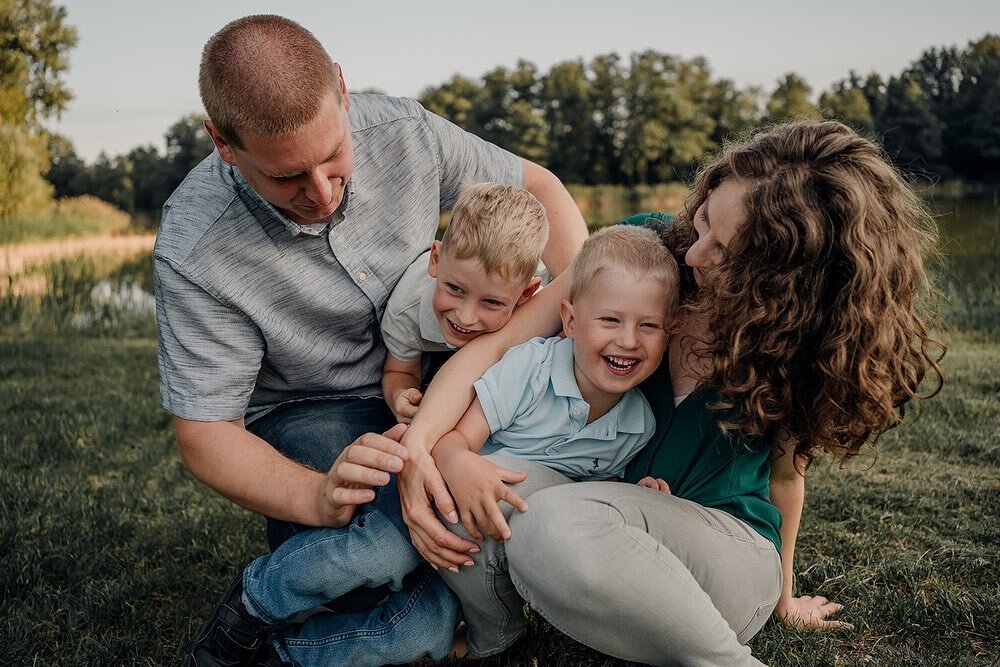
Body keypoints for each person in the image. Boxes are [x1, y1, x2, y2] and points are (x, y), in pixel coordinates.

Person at [397, 120, 944, 665]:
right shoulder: (643, 251)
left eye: (727, 252)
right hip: (604, 517)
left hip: (721, 554)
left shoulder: (796, 341)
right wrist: (423, 448)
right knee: (480, 487)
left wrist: (783, 596)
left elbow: (785, 477)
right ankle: (505, 631)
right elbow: (497, 347)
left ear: (783, 278)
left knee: (555, 524)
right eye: (705, 218)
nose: (696, 254)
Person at [153, 14, 588, 667]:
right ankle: (263, 606)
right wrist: (316, 496)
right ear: (223, 142)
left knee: (449, 567)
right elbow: (207, 434)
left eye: (332, 157)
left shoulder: (405, 132)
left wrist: (576, 323)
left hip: (436, 387)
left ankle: (387, 617)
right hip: (311, 413)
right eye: (288, 178)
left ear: (342, 90)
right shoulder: (194, 246)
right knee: (397, 547)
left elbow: (542, 192)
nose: (322, 192)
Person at [431, 225, 679, 656]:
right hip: (472, 507)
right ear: (568, 320)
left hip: (532, 526)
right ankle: (495, 632)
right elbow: (453, 440)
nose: (627, 340)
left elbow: (589, 492)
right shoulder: (530, 370)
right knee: (460, 517)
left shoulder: (638, 424)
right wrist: (460, 463)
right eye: (610, 320)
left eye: (649, 325)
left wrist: (633, 497)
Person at [381, 182, 548, 424]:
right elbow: (399, 370)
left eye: (491, 302)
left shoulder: (536, 305)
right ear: (436, 260)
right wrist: (400, 395)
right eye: (455, 289)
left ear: (524, 294)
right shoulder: (404, 312)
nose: (466, 317)